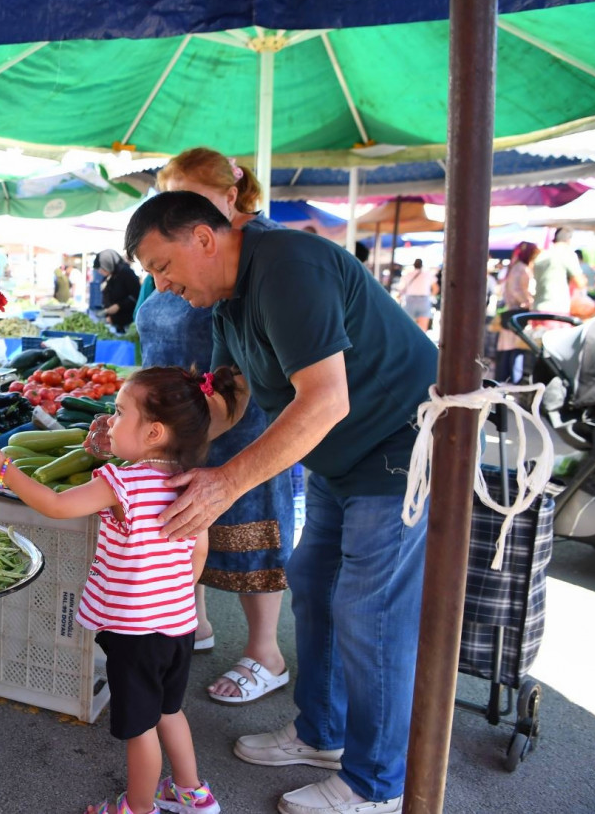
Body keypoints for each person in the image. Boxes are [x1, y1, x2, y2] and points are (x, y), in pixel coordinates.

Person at [125, 191, 436, 814]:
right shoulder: (229, 299)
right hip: (336, 457)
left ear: (203, 239)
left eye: (162, 266)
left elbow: (325, 400)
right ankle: (322, 736)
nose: (162, 287)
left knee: (368, 611)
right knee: (313, 587)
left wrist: (224, 483)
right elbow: (226, 396)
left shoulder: (289, 265)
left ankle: (377, 785)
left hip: (401, 443)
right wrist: (147, 446)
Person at [0, 366, 229, 814]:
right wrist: (168, 597)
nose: (109, 421)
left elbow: (55, 504)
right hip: (177, 626)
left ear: (152, 432)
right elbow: (198, 554)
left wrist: (4, 469)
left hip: (134, 633)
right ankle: (193, 794)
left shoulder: (121, 483)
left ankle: (137, 807)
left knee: (140, 728)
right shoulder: (194, 485)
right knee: (169, 711)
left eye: (118, 412)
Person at [139, 148, 294, 706]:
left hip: (242, 410)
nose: (179, 215)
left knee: (252, 524)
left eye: (194, 202)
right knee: (177, 521)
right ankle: (193, 623)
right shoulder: (162, 253)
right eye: (169, 203)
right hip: (174, 412)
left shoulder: (265, 253)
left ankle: (265, 653)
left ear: (231, 197)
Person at [494, 241, 538, 384]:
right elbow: (517, 290)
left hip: (511, 311)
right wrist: (528, 302)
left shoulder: (514, 267)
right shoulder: (522, 268)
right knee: (515, 349)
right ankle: (511, 380)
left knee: (509, 349)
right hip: (517, 313)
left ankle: (506, 380)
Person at [533, 227, 587, 314]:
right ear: (569, 240)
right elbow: (580, 283)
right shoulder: (567, 253)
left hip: (537, 308)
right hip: (557, 309)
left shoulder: (541, 255)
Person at [95, 249, 141, 333]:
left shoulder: (127, 274)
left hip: (127, 324)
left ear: (108, 263)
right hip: (113, 324)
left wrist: (119, 306)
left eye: (101, 268)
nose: (100, 272)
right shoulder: (110, 276)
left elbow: (137, 296)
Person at [396, 258, 438, 331]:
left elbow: (401, 289)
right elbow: (436, 288)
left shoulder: (408, 274)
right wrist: (431, 297)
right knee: (423, 326)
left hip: (409, 300)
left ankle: (409, 341)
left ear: (414, 265)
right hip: (424, 300)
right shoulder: (427, 274)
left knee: (408, 325)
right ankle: (420, 341)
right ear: (422, 265)